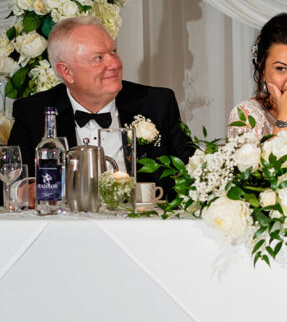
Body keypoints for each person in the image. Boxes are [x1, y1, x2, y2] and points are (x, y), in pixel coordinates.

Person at [8, 16, 192, 196]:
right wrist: (24, 191)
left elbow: (192, 170)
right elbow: (12, 183)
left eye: (113, 52)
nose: (115, 64)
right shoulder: (34, 112)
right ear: (67, 72)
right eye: (98, 58)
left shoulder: (156, 103)